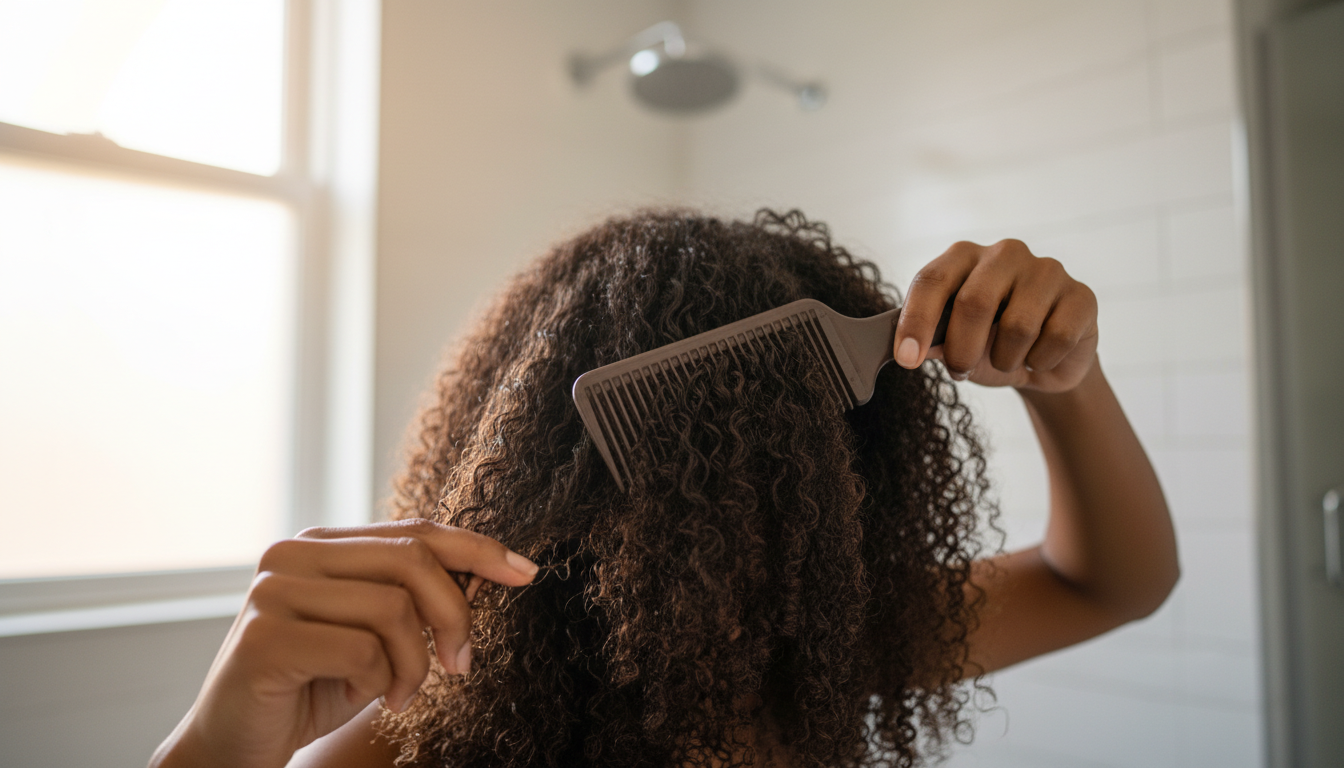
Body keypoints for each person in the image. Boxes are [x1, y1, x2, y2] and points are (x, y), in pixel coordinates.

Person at [150, 210, 1178, 768]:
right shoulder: (414, 738)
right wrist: (208, 751)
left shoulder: (825, 651)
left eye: (778, 504)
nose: (722, 555)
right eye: (683, 512)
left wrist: (1065, 382)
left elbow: (1109, 583)